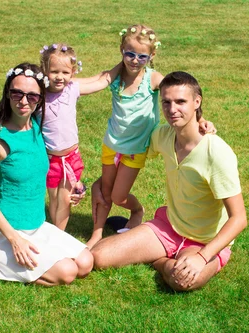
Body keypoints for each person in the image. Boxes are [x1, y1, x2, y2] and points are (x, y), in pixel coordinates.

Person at [91, 71, 247, 291]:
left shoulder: (216, 152)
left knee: (184, 281)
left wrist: (202, 257)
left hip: (205, 241)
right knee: (98, 257)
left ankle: (159, 260)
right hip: (169, 227)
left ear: (197, 102)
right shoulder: (163, 136)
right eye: (166, 102)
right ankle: (164, 258)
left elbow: (239, 218)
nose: (172, 110)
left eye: (181, 101)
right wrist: (101, 183)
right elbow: (128, 154)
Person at [0, 63, 93, 286]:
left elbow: (54, 161)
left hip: (37, 224)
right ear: (7, 93)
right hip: (6, 231)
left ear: (40, 98)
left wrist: (74, 184)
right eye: (17, 93)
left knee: (85, 262)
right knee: (67, 272)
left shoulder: (36, 124)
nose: (24, 101)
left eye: (32, 96)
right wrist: (15, 240)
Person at [88, 24, 213, 247]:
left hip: (136, 149)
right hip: (112, 144)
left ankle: (137, 210)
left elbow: (178, 92)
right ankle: (96, 234)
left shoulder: (152, 79)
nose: (135, 60)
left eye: (142, 56)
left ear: (151, 55)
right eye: (130, 54)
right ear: (121, 51)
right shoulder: (116, 76)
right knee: (105, 191)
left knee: (118, 196)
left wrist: (200, 119)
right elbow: (96, 80)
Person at [38, 43, 119, 231]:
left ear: (73, 72)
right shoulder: (39, 94)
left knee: (65, 199)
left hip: (70, 158)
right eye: (54, 71)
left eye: (65, 72)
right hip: (49, 159)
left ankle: (58, 234)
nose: (60, 77)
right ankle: (55, 230)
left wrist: (122, 64)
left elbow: (101, 81)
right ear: (44, 70)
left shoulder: (72, 88)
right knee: (54, 199)